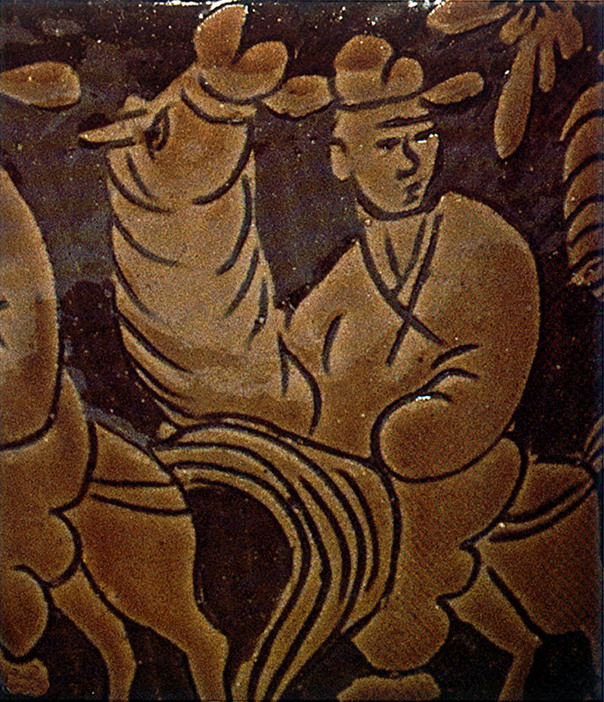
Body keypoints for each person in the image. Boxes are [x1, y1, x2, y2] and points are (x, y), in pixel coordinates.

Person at [285, 34, 542, 673]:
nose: (410, 161)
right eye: (386, 144)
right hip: (356, 498)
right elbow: (300, 397)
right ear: (341, 158)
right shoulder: (334, 293)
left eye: (422, 137)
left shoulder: (486, 241)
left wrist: (422, 430)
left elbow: (495, 365)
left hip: (457, 468)